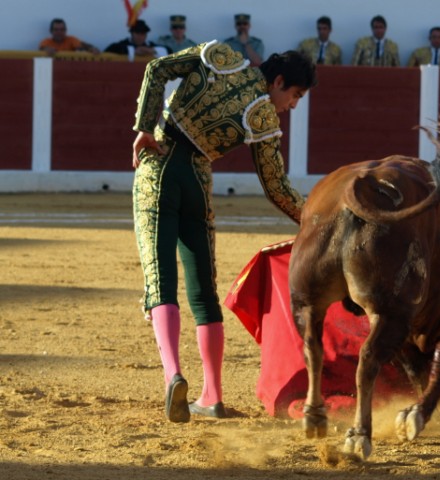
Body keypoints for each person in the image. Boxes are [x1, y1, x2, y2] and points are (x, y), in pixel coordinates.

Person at [131, 40, 317, 423]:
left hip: (159, 166)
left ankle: (173, 377)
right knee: (203, 291)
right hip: (197, 184)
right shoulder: (263, 119)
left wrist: (144, 128)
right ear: (278, 81)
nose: (293, 105)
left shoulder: (220, 56)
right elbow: (276, 187)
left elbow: (156, 70)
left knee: (160, 280)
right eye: (295, 95)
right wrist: (314, 222)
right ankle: (212, 395)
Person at [104, 19, 170, 60]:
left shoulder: (150, 45)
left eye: (143, 33)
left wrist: (153, 50)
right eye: (137, 33)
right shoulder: (123, 44)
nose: (140, 36)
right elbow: (110, 49)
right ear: (132, 34)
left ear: (146, 35)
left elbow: (169, 50)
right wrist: (134, 51)